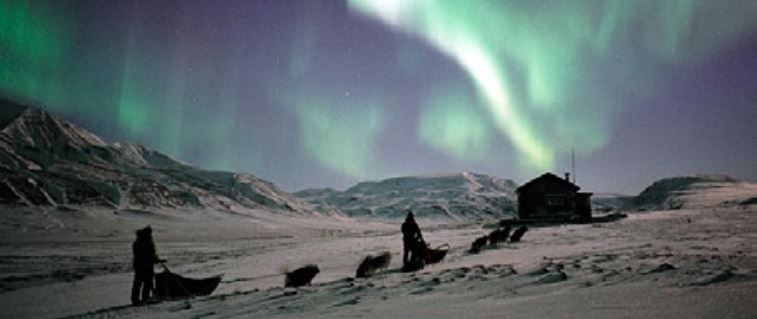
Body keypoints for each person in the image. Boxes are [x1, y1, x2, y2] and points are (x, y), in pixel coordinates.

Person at [131, 226, 164, 305]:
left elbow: (150, 254)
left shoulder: (138, 242)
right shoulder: (146, 242)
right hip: (144, 265)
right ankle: (143, 298)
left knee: (140, 282)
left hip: (140, 265)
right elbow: (148, 254)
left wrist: (154, 259)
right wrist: (154, 259)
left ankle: (137, 299)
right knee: (145, 282)